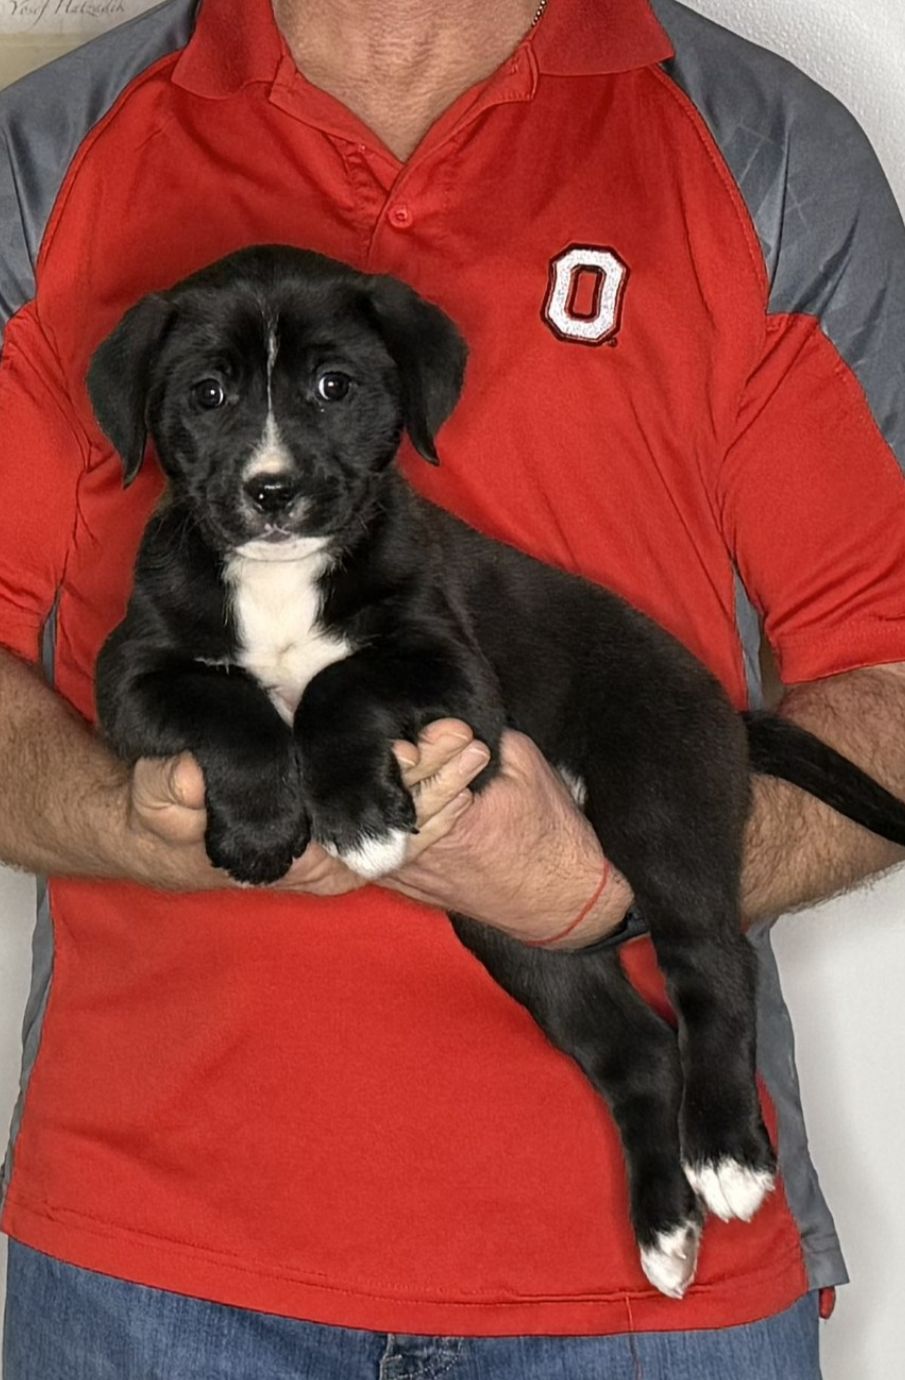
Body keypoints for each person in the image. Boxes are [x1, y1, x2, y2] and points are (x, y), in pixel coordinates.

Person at [0, 0, 904, 1374]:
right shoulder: (49, 152)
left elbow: (892, 677)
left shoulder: (761, 149)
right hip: (151, 1274)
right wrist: (119, 821)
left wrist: (614, 887)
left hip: (642, 1315)